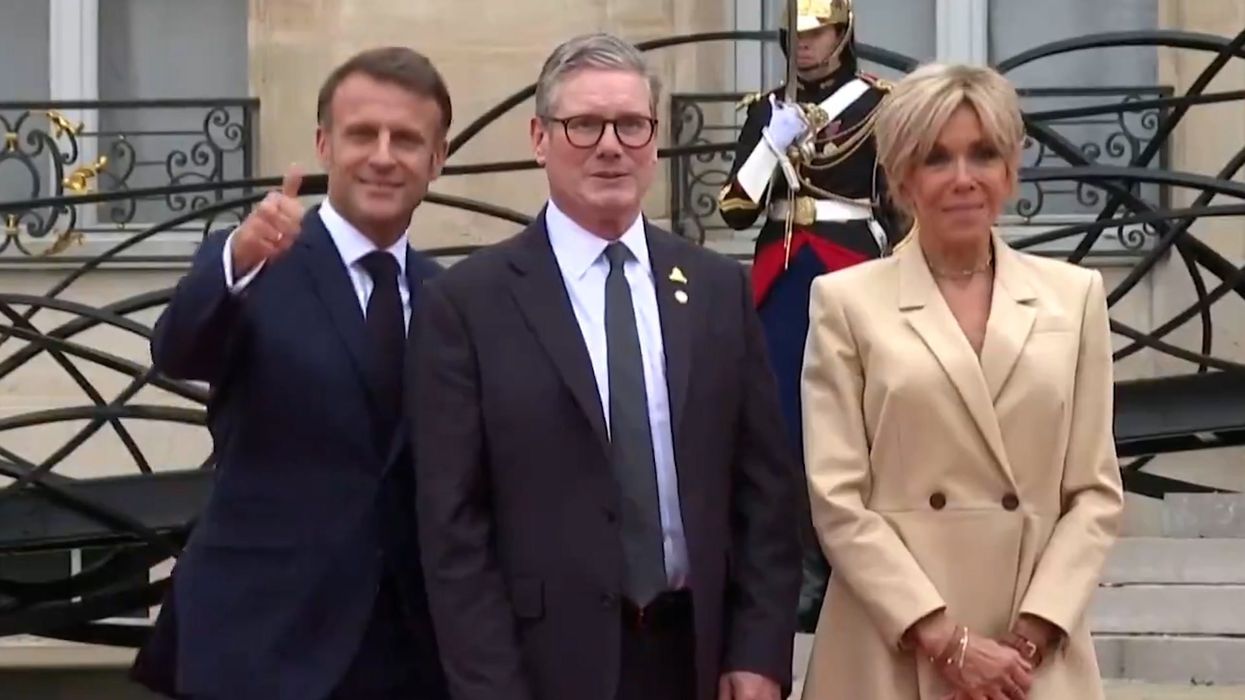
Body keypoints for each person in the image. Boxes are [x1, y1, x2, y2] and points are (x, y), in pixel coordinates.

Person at [412, 32, 801, 700]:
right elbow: (452, 529)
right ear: (539, 137)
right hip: (543, 666)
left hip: (696, 660)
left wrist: (760, 653)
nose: (610, 145)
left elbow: (764, 493)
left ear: (653, 138)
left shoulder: (714, 289)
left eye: (630, 124)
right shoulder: (467, 303)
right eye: (583, 125)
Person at [130, 47, 452, 700]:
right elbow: (178, 349)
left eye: (407, 139)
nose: (384, 156)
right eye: (362, 134)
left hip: (406, 657)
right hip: (259, 644)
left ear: (436, 159)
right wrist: (236, 260)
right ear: (323, 144)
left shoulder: (448, 297)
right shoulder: (257, 263)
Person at [798, 63, 1125, 700]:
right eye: (936, 158)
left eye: (983, 154)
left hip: (1031, 659)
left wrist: (1030, 634)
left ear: (1010, 171)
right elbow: (836, 498)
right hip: (890, 650)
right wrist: (947, 641)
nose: (963, 179)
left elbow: (1094, 492)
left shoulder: (1075, 297)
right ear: (902, 177)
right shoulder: (844, 302)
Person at [716, 0, 901, 630]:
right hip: (785, 274)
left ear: (842, 32)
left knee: (854, 419)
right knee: (781, 421)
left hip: (851, 266)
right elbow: (737, 211)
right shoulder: (768, 110)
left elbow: (897, 207)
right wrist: (771, 145)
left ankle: (850, 562)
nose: (803, 45)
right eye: (794, 33)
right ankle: (799, 566)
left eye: (816, 32)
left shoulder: (879, 106)